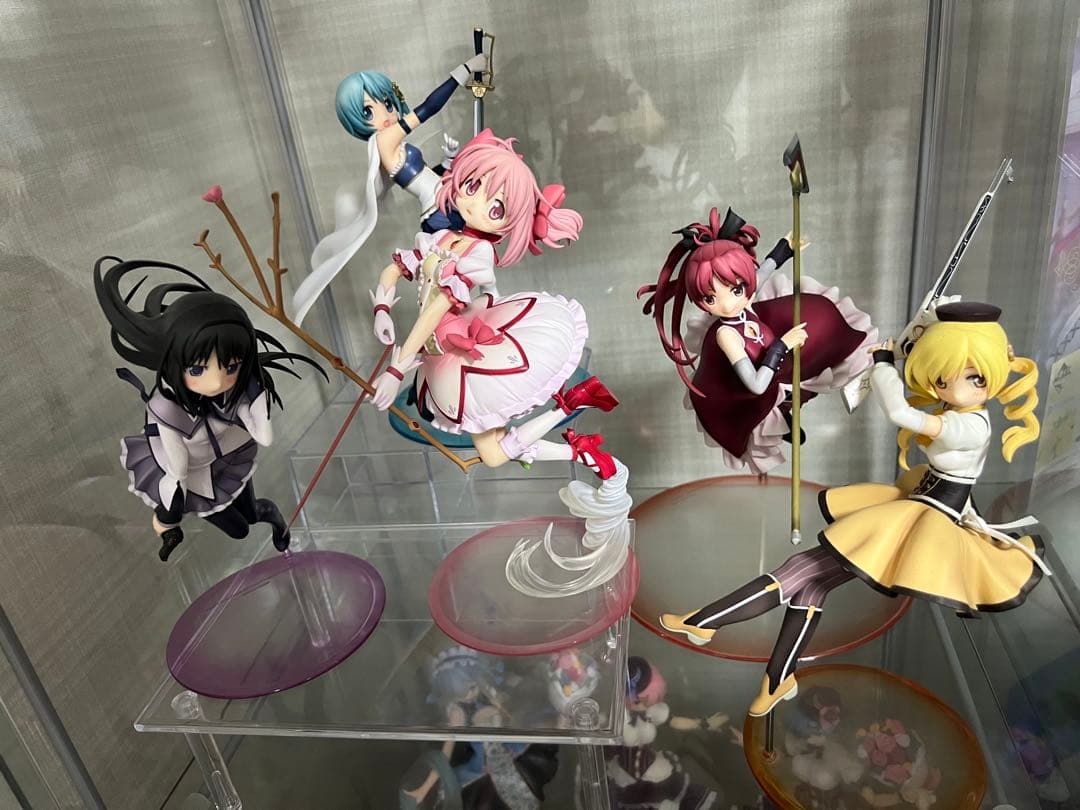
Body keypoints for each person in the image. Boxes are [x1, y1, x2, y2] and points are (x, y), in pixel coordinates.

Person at [660, 302, 1045, 715]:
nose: (955, 388)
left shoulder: (969, 425)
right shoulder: (960, 413)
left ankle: (705, 622)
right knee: (811, 586)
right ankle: (778, 678)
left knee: (801, 568)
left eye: (974, 378)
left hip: (924, 516)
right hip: (918, 503)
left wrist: (883, 365)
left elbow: (900, 413)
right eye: (943, 377)